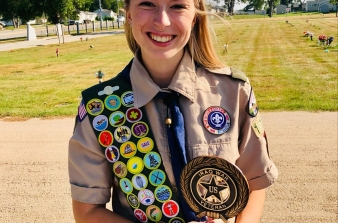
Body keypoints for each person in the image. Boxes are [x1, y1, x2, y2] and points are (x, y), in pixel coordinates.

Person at [68, 0, 278, 223]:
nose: (162, 21)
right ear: (128, 14)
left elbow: (254, 182)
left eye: (177, 6)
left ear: (194, 16)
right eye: (147, 4)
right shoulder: (100, 109)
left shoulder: (233, 91)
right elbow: (87, 211)